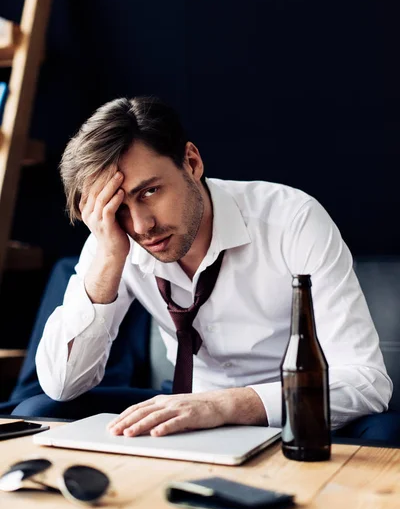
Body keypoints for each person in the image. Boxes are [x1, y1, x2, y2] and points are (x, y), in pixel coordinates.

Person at [13, 96, 398, 443]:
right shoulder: (114, 238)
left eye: (149, 191)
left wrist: (226, 406)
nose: (142, 225)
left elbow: (367, 382)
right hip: (186, 404)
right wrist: (108, 260)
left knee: (386, 432)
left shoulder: (291, 219)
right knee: (39, 413)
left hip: (289, 406)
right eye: (120, 207)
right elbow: (62, 386)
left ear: (191, 162)